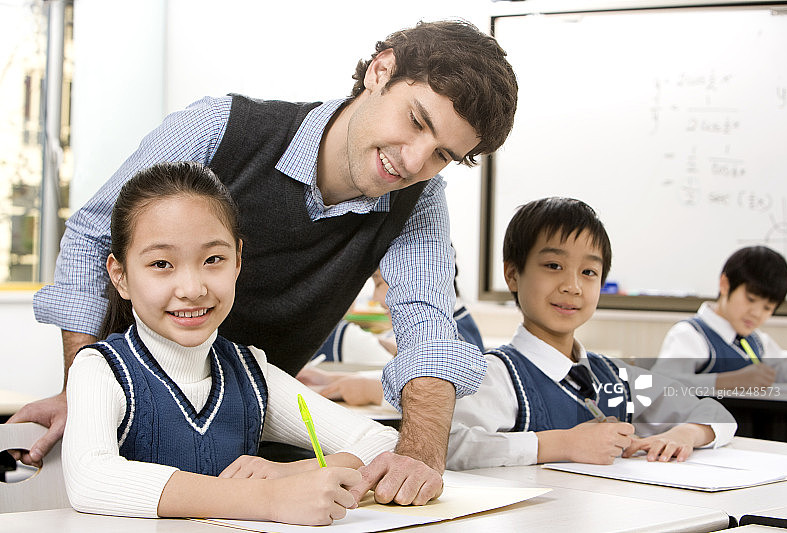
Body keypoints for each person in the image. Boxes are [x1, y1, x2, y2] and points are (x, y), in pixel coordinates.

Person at [12, 20, 518, 504]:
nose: (413, 162)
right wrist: (78, 390)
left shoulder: (420, 199)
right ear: (380, 71)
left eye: (442, 154)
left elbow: (427, 329)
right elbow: (92, 234)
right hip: (134, 414)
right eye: (416, 121)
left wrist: (418, 458)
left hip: (253, 425)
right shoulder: (218, 128)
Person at [62, 161, 418, 524]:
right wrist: (265, 498)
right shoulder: (100, 369)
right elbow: (90, 478)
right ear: (120, 276)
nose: (192, 289)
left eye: (213, 259)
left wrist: (288, 474)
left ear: (237, 262)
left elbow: (382, 443)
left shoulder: (251, 373)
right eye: (161, 264)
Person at [446, 197, 736, 470]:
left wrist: (685, 434)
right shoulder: (495, 375)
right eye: (553, 266)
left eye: (589, 272)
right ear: (512, 274)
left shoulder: (615, 376)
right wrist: (561, 444)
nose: (572, 286)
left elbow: (716, 415)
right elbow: (450, 446)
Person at [299, 267, 485, 406]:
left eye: (379, 283)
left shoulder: (450, 338)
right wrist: (335, 380)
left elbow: (441, 398)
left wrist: (371, 390)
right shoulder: (446, 326)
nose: (374, 297)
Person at [651, 246, 787, 391]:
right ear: (725, 285)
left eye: (767, 308)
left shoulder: (757, 341)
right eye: (750, 299)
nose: (757, 313)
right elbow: (664, 385)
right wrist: (728, 381)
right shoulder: (690, 335)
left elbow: (784, 366)